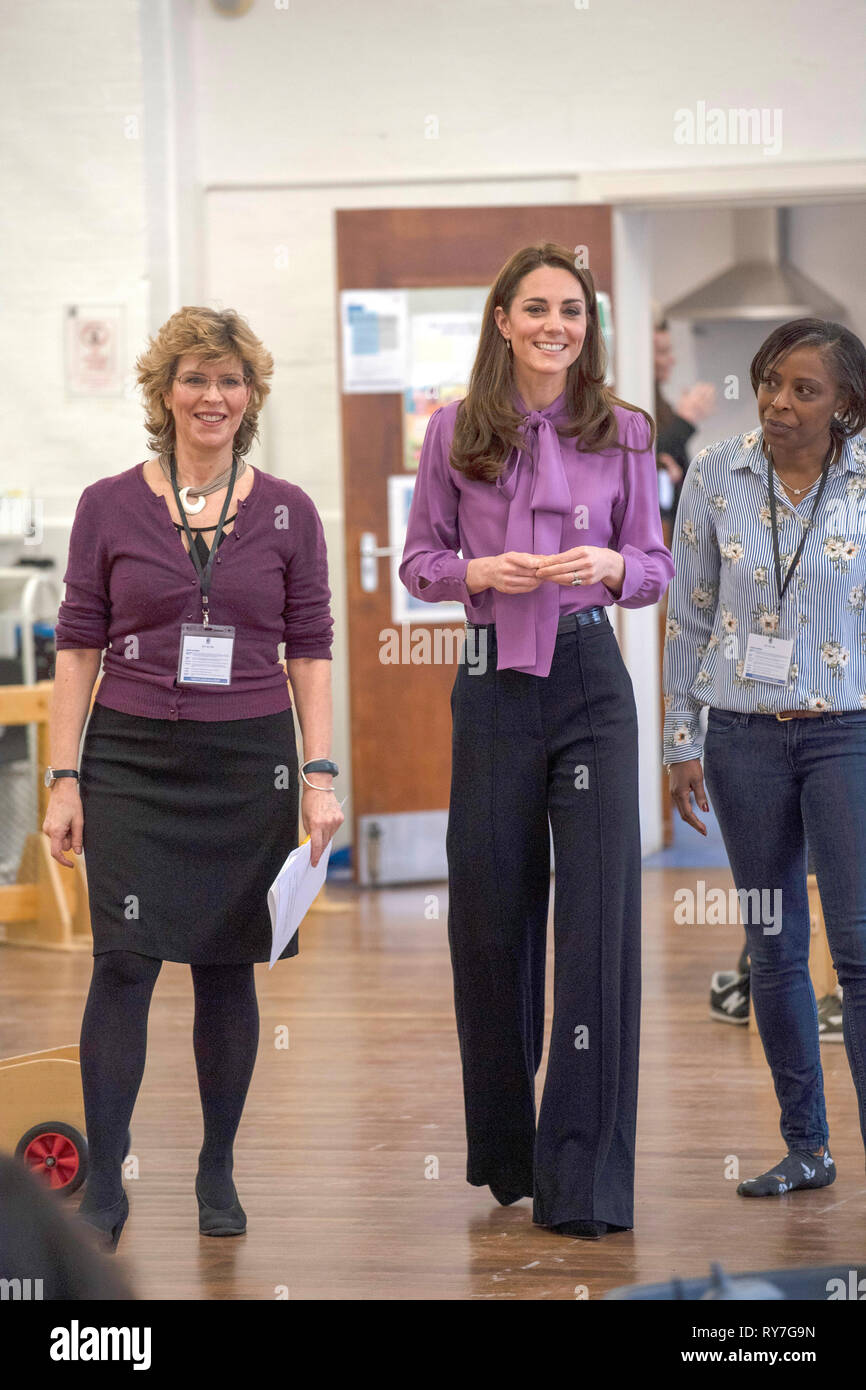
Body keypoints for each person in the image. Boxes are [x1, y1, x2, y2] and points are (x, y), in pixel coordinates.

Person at [44, 306, 342, 1252]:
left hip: (247, 759)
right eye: (194, 379)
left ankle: (217, 1166)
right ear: (163, 392)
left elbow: (313, 651)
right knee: (123, 964)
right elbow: (79, 644)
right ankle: (107, 1174)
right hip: (130, 758)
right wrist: (63, 777)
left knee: (225, 969)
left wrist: (320, 773)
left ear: (249, 397)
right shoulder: (107, 504)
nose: (211, 397)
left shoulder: (291, 509)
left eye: (229, 381)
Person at [399, 242, 674, 1238]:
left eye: (571, 308)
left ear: (584, 325)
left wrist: (610, 562)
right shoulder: (452, 431)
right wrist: (480, 573)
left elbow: (655, 564)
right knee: (488, 914)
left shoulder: (627, 432)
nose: (556, 323)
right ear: (503, 321)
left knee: (596, 928)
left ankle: (585, 1182)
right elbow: (419, 562)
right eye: (536, 308)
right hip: (488, 683)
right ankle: (508, 1152)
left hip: (591, 678)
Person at [663, 317, 866, 1199]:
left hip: (848, 736)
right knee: (773, 944)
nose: (780, 402)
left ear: (845, 405)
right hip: (743, 739)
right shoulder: (716, 473)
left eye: (805, 390)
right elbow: (690, 614)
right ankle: (806, 1147)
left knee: (857, 951)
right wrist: (679, 741)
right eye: (771, 382)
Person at [653, 313, 716, 524]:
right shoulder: (629, 399)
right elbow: (646, 455)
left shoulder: (662, 406)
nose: (671, 360)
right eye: (662, 352)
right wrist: (685, 420)